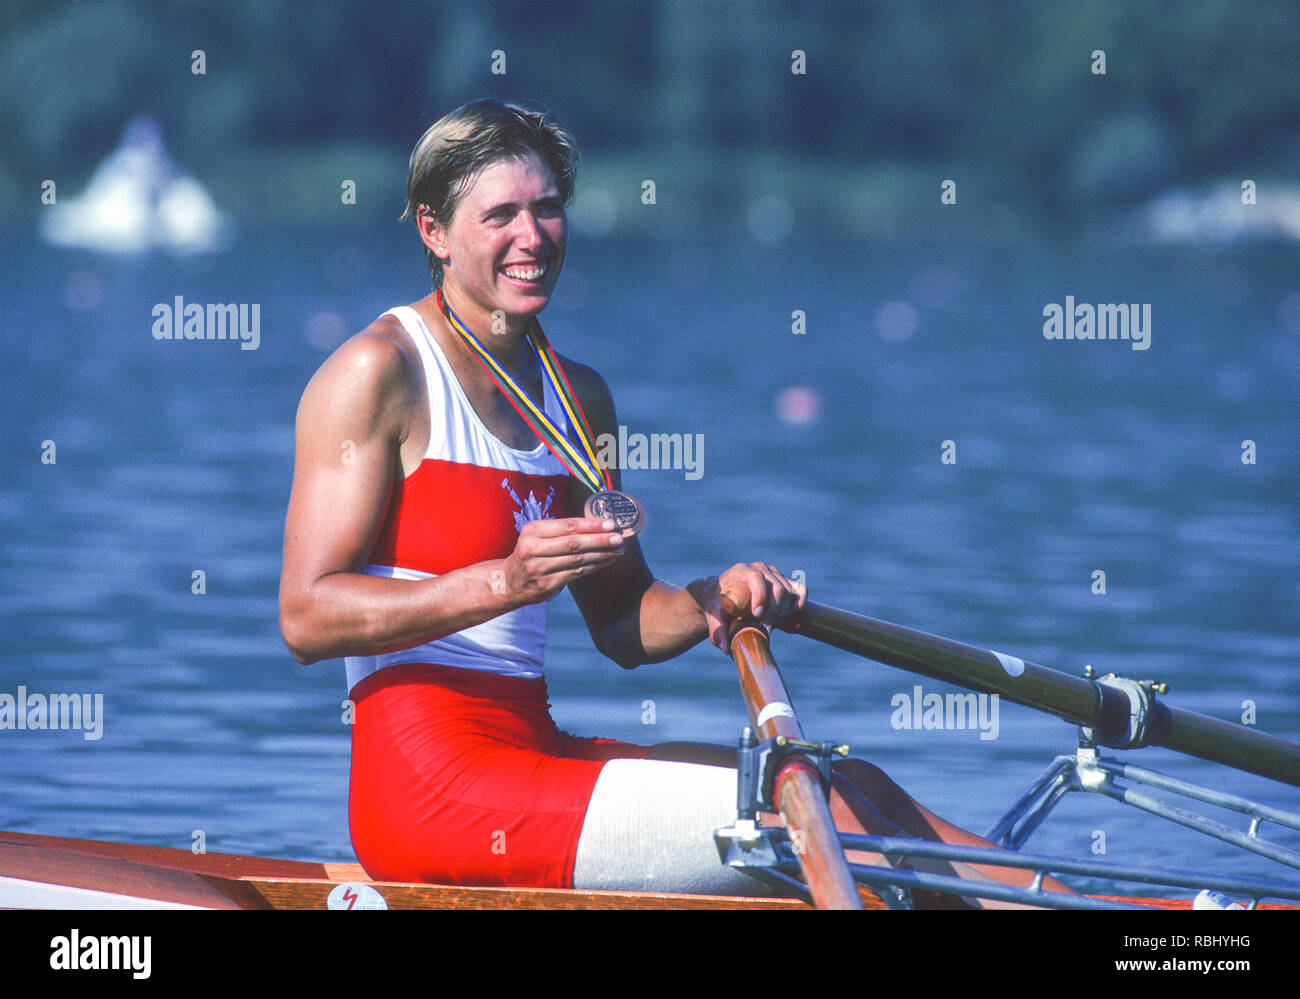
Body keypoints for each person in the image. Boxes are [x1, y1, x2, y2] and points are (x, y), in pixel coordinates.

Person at [278, 98, 1071, 905]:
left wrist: (708, 601)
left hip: (532, 755)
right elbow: (305, 618)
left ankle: (1132, 917)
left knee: (852, 781)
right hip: (427, 790)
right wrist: (502, 584)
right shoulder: (378, 372)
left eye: (548, 208)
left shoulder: (577, 398)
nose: (533, 237)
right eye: (501, 215)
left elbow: (623, 622)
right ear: (434, 232)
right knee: (815, 814)